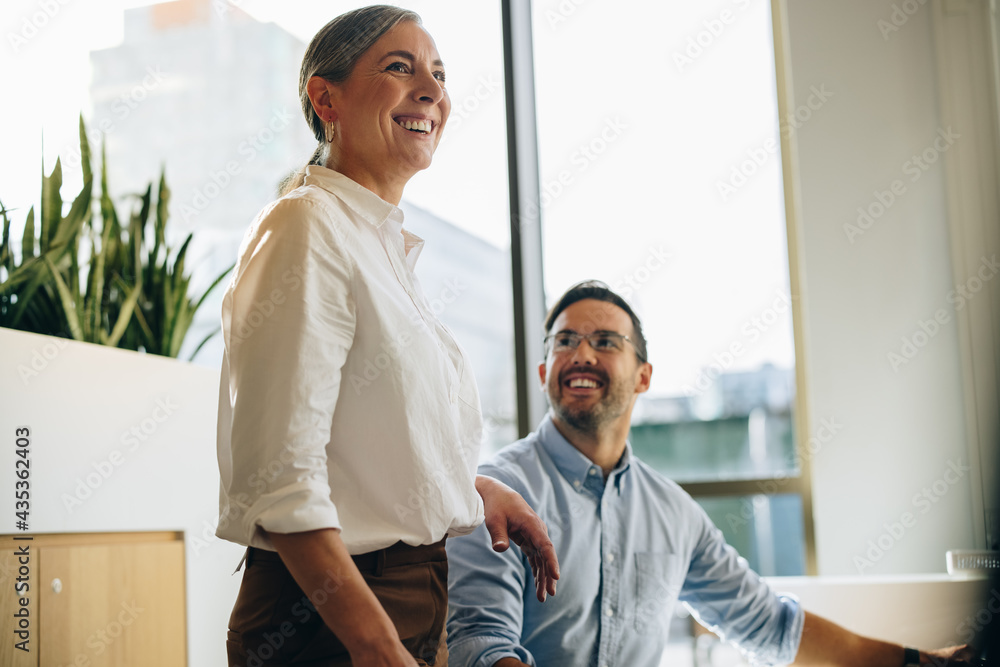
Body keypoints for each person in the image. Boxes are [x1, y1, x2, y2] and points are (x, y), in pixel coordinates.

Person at [215, 7, 557, 666]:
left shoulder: (378, 244)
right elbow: (282, 477)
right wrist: (378, 646)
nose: (431, 90)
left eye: (439, 74)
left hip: (398, 599)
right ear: (326, 98)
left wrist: (476, 488)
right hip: (331, 618)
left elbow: (366, 436)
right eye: (399, 68)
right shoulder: (306, 227)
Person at [445, 280, 976, 667]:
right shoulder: (499, 494)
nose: (580, 354)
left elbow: (769, 625)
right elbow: (480, 647)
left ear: (644, 376)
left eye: (605, 341)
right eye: (564, 342)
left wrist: (921, 662)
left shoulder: (673, 512)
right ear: (544, 372)